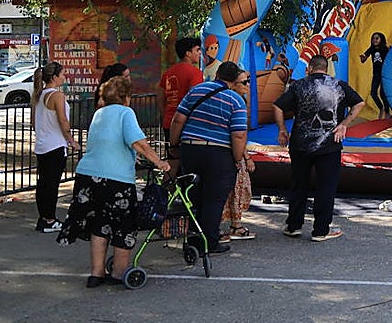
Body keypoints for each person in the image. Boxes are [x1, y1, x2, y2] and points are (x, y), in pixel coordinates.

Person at [56, 76, 170, 287]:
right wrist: (159, 162)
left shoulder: (99, 113)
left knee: (100, 224)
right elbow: (139, 143)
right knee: (124, 225)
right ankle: (119, 273)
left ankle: (96, 272)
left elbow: (107, 142)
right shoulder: (126, 113)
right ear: (127, 97)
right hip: (115, 179)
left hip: (88, 176)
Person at [274, 54, 365, 242]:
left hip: (300, 144)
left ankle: (294, 225)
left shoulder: (298, 85)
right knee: (326, 187)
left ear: (309, 68)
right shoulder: (338, 85)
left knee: (299, 184)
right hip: (329, 144)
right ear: (326, 69)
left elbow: (278, 106)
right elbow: (360, 103)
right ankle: (321, 230)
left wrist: (282, 129)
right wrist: (344, 124)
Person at [168, 61, 250, 254]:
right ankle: (209, 242)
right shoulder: (235, 100)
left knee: (193, 196)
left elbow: (178, 119)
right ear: (234, 79)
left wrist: (174, 145)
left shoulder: (196, 91)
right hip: (219, 154)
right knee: (214, 199)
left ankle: (193, 239)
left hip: (190, 150)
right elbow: (238, 135)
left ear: (218, 74)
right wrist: (238, 159)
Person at [32, 61, 78, 233]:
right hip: (55, 145)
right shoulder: (57, 96)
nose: (64, 77)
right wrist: (71, 140)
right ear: (54, 77)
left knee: (43, 183)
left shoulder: (39, 95)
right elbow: (63, 120)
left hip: (43, 144)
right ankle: (50, 219)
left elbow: (34, 122)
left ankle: (43, 217)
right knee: (51, 184)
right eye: (62, 74)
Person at [160, 37, 204, 174]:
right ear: (188, 53)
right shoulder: (195, 73)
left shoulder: (168, 72)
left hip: (168, 123)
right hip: (186, 124)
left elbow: (160, 96)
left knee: (172, 163)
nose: (200, 53)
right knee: (191, 164)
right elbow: (195, 98)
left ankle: (166, 193)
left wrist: (165, 116)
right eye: (197, 50)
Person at [359, 32, 390, 118]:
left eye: (377, 38)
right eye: (373, 38)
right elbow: (363, 59)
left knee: (383, 93)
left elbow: (391, 57)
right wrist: (362, 57)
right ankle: (381, 108)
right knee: (373, 93)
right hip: (376, 74)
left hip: (384, 73)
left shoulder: (384, 48)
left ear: (381, 40)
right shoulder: (371, 49)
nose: (374, 40)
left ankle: (387, 112)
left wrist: (390, 49)